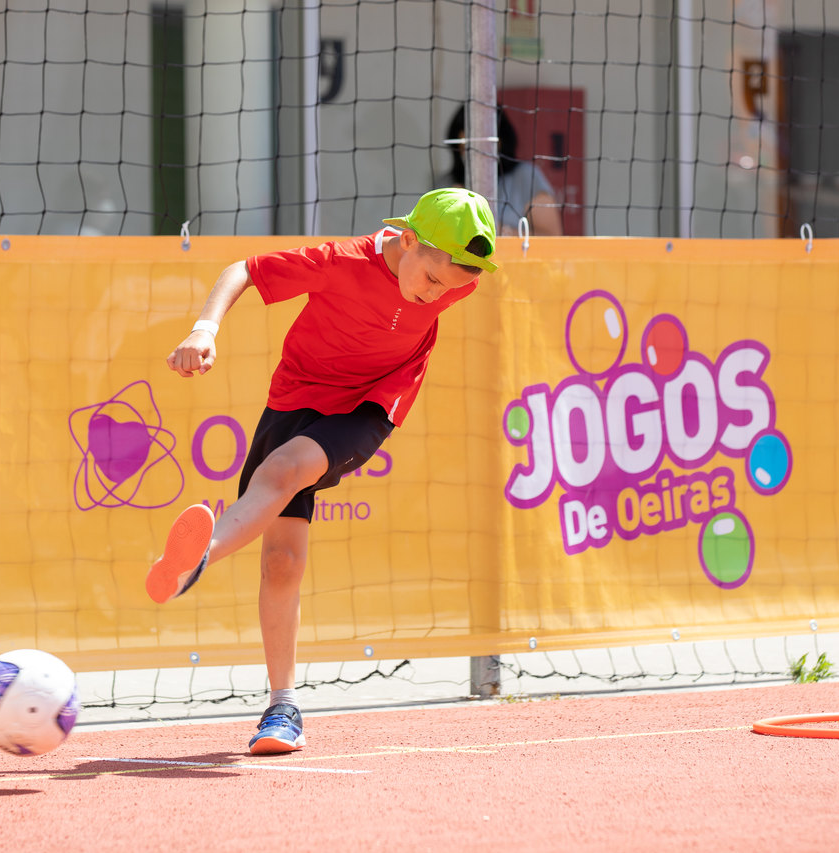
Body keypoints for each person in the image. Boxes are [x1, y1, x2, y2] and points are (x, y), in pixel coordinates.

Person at [147, 188, 498, 754]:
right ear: (407, 240)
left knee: (286, 468)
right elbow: (243, 271)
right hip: (294, 400)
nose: (438, 294)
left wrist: (440, 284)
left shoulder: (458, 278)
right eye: (432, 279)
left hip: (369, 408)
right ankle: (282, 710)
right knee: (282, 561)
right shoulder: (343, 262)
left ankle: (201, 552)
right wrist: (204, 329)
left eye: (450, 287)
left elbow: (437, 291)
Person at [446, 104, 564, 237]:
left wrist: (500, 231)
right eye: (466, 147)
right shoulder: (446, 185)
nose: (474, 153)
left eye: (481, 145)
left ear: (500, 141)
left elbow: (552, 236)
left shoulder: (526, 177)